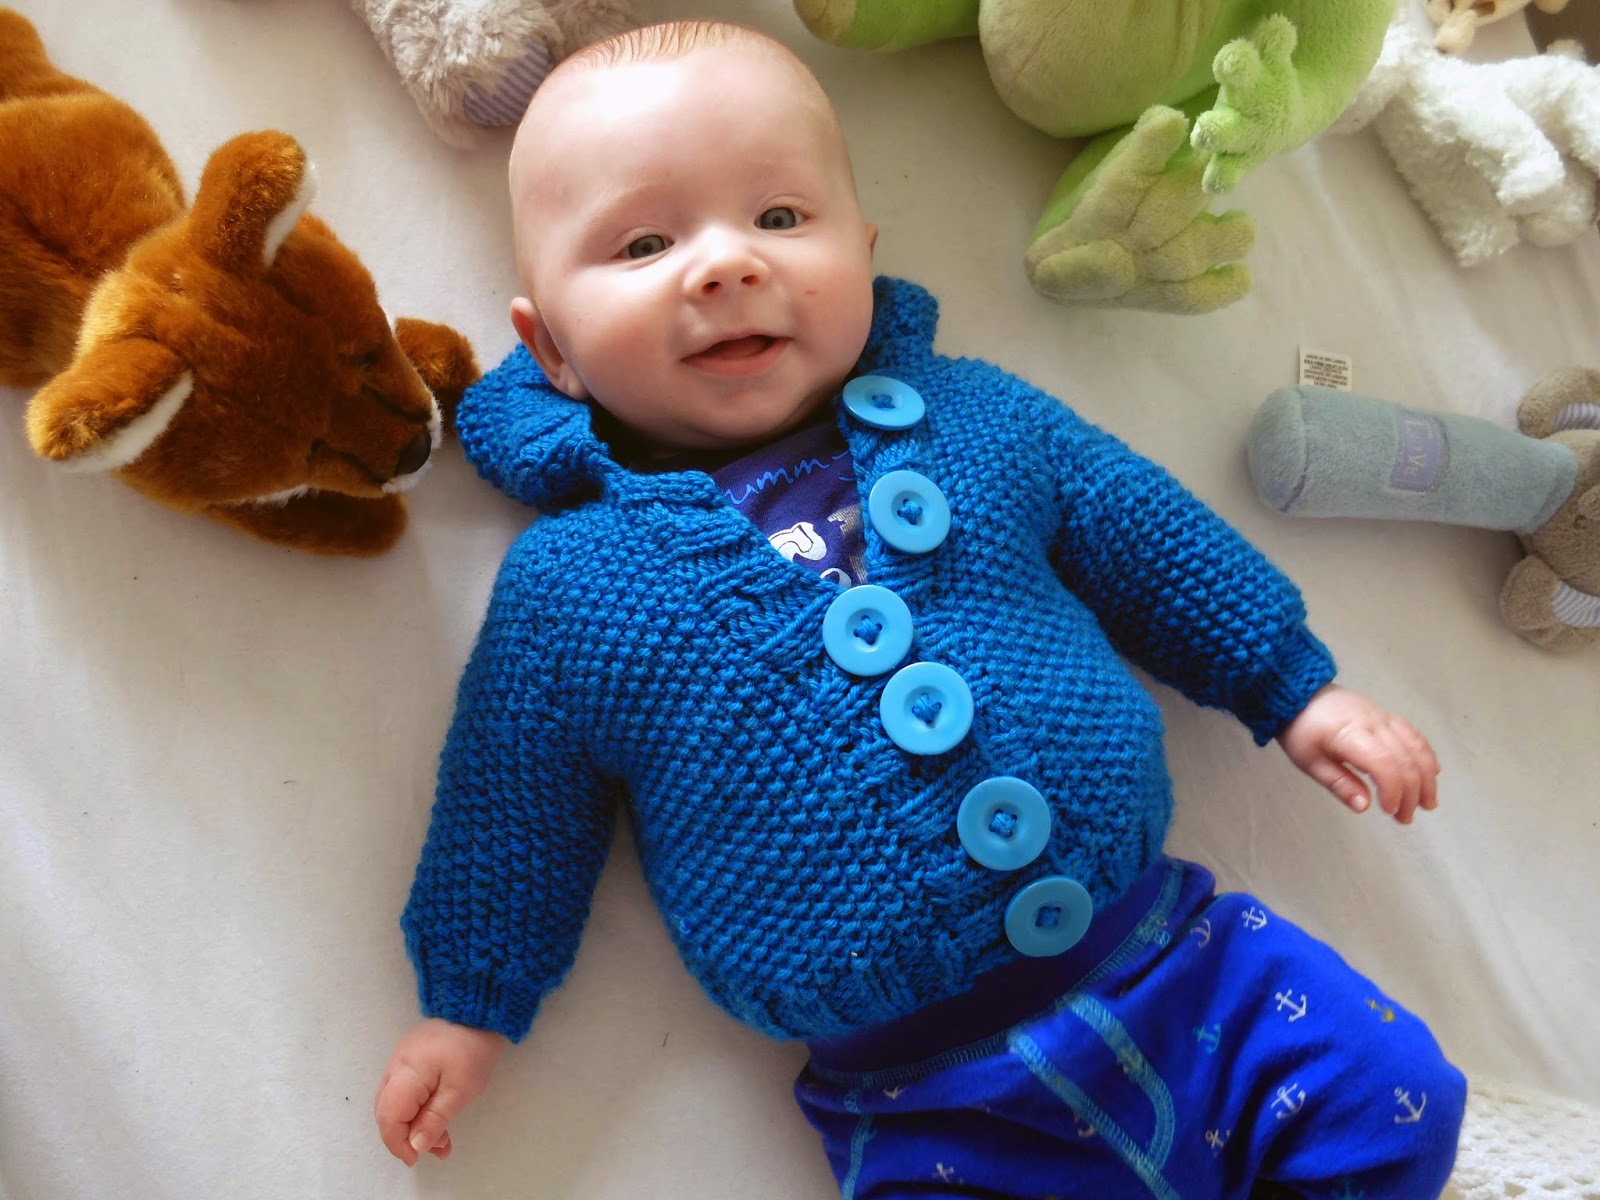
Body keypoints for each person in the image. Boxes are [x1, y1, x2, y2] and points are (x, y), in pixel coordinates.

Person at [374, 20, 1466, 1197]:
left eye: (779, 217)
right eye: (644, 243)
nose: (725, 265)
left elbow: (1143, 535)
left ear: (862, 249)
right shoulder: (571, 587)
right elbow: (510, 799)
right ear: (549, 348)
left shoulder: (975, 420)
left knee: (1392, 1095)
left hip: (1190, 975)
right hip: (928, 1104)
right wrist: (469, 1007)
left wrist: (1291, 686)